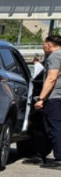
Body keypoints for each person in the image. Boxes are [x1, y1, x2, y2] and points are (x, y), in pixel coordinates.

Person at [36, 35, 61, 168]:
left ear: (49, 44)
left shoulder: (55, 56)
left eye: (44, 44)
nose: (43, 46)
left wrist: (41, 98)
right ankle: (42, 155)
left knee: (54, 127)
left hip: (55, 96)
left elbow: (51, 78)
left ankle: (59, 159)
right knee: (49, 127)